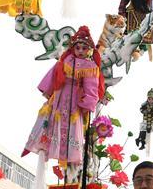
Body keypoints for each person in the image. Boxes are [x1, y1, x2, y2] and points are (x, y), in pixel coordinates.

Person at [23, 26, 105, 166]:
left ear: (89, 50)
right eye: (77, 47)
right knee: (52, 121)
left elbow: (92, 87)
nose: (80, 51)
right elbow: (54, 75)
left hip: (75, 101)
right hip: (59, 97)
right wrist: (49, 91)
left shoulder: (91, 66)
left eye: (83, 48)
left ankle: (68, 156)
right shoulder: (65, 61)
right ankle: (46, 145)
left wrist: (87, 103)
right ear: (73, 48)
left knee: (71, 126)